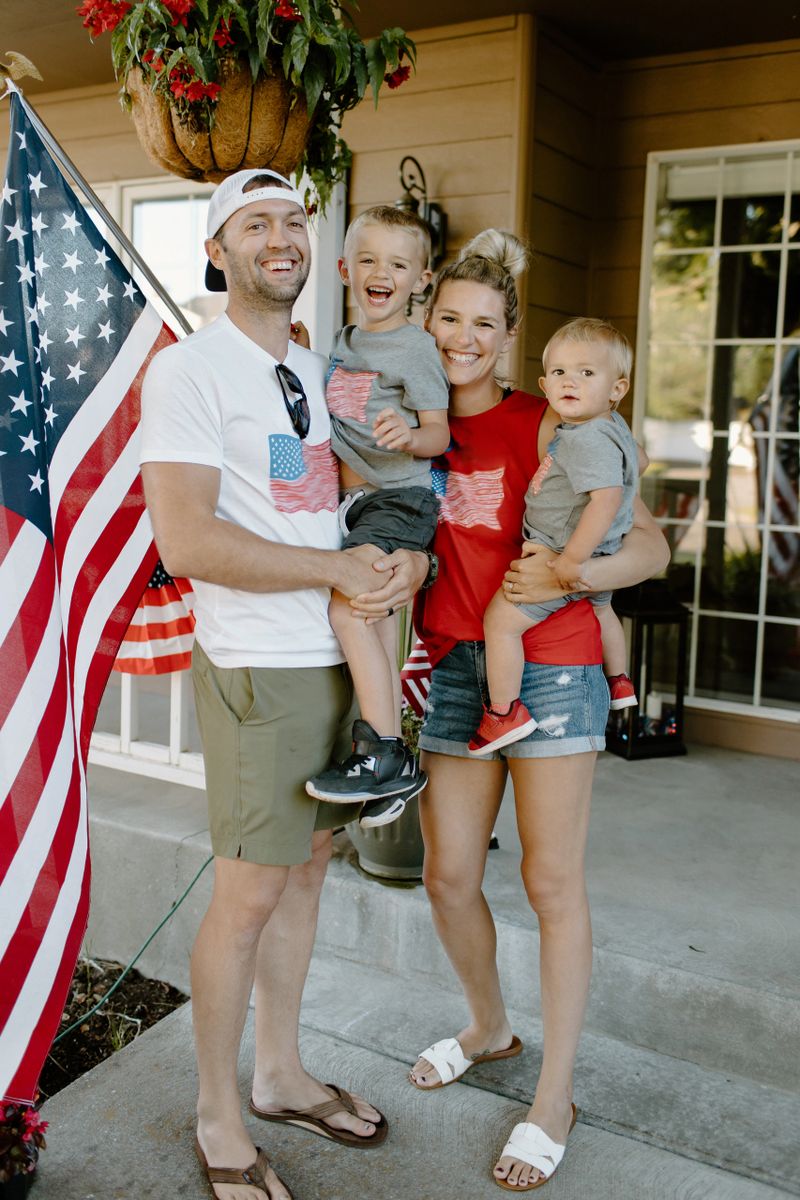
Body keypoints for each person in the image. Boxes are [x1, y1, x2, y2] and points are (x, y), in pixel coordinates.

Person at [139, 169, 429, 1200]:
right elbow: (186, 539)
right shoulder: (190, 372)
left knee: (308, 873)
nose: (280, 236)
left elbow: (333, 496)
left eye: (293, 219)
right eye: (253, 222)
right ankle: (220, 1115)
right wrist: (331, 572)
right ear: (216, 250)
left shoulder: (311, 368)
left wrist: (397, 562)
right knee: (249, 891)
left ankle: (278, 1071)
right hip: (260, 666)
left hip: (333, 655)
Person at [405, 230, 669, 1191]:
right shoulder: (406, 423)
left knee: (552, 884)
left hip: (550, 662)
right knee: (446, 875)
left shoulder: (551, 417)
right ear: (425, 320)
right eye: (449, 320)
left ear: (509, 337)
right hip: (456, 665)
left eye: (485, 325)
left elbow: (653, 548)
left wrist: (575, 573)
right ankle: (490, 1026)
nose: (463, 340)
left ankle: (553, 1093)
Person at [304, 206, 450, 828]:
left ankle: (384, 754)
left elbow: (440, 435)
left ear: (421, 278)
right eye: (367, 259)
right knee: (367, 617)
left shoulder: (414, 348)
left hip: (401, 496)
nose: (380, 271)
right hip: (356, 501)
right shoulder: (344, 342)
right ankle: (391, 762)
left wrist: (408, 434)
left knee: (350, 607)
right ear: (343, 269)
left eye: (397, 262)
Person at [469, 316, 640, 757]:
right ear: (544, 384)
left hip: (563, 553)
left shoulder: (586, 437)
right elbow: (638, 462)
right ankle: (619, 679)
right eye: (561, 372)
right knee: (604, 611)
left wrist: (570, 562)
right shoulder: (611, 428)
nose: (572, 382)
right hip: (599, 550)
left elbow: (603, 500)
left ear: (616, 389)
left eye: (587, 373)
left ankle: (504, 713)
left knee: (501, 623)